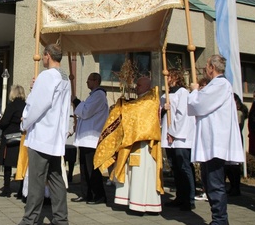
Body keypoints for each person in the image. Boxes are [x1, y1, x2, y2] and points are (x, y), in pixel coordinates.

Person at [5, 44, 71, 225]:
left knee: (36, 180)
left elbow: (38, 105)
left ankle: (30, 222)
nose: (42, 59)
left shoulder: (47, 76)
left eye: (44, 56)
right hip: (55, 136)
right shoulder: (65, 78)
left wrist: (24, 122)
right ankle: (61, 219)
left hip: (42, 135)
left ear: (47, 56)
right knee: (56, 178)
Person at [187, 55, 245, 225]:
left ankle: (220, 224)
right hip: (209, 141)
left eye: (206, 65)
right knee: (208, 181)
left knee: (214, 183)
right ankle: (220, 221)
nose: (205, 69)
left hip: (215, 142)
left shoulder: (220, 85)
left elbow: (198, 105)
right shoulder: (215, 86)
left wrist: (195, 91)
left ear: (212, 67)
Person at [94, 76, 163, 214]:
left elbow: (136, 114)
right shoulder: (140, 100)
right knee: (133, 173)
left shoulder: (150, 100)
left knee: (142, 174)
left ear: (147, 86)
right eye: (136, 85)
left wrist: (122, 106)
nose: (136, 87)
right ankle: (132, 201)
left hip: (144, 145)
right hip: (133, 142)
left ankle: (144, 203)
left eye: (139, 85)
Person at [70, 72, 108, 205]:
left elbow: (86, 112)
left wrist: (75, 100)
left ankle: (98, 195)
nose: (87, 82)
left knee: (92, 168)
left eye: (89, 80)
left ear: (96, 80)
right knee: (84, 167)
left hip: (92, 137)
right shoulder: (93, 95)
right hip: (85, 138)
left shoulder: (99, 95)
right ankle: (86, 193)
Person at [161, 69, 197, 211]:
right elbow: (158, 113)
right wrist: (163, 109)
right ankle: (180, 196)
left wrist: (173, 132)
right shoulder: (166, 95)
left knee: (184, 167)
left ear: (175, 77)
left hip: (180, 137)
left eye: (169, 76)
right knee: (175, 167)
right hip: (169, 137)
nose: (167, 78)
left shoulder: (183, 93)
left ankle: (189, 198)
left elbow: (182, 115)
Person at [0, 85, 26, 198]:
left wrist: (0, 123)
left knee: (7, 164)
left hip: (10, 137)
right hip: (22, 136)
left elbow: (4, 122)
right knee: (21, 163)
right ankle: (21, 190)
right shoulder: (26, 105)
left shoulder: (12, 105)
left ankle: (7, 188)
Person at [224, 94, 247, 197]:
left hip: (234, 139)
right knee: (228, 166)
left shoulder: (238, 113)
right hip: (228, 139)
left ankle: (235, 187)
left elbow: (238, 126)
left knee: (234, 166)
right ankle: (232, 186)